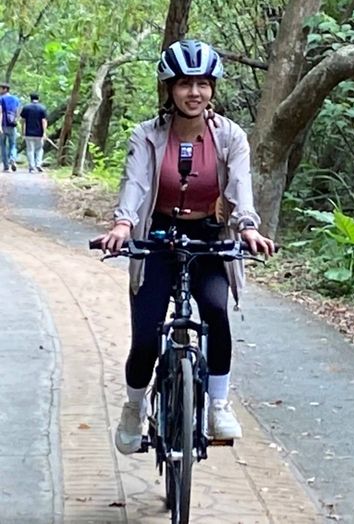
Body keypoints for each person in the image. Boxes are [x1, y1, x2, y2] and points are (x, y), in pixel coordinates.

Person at [95, 39, 275, 455]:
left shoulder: (230, 137)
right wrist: (123, 223)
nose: (194, 92)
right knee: (145, 338)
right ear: (169, 89)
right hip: (156, 235)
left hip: (209, 235)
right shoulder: (148, 135)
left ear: (213, 88)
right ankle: (134, 407)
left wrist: (247, 228)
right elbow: (137, 182)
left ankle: (217, 405)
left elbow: (240, 187)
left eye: (202, 84)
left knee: (215, 311)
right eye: (184, 84)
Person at [20, 92, 47, 172]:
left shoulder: (26, 108)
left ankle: (32, 166)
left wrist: (23, 132)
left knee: (30, 150)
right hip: (39, 133)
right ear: (38, 98)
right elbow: (44, 121)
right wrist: (44, 132)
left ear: (30, 98)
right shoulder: (42, 108)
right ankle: (38, 164)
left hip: (29, 133)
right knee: (39, 149)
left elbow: (23, 121)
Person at [0, 82, 21, 172]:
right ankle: (12, 158)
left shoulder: (1, 99)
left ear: (5, 89)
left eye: (1, 88)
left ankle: (6, 166)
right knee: (13, 144)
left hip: (3, 125)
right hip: (12, 125)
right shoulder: (16, 99)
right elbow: (18, 111)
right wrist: (16, 120)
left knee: (3, 145)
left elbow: (0, 112)